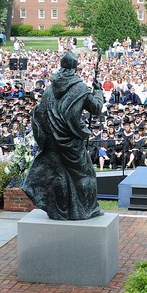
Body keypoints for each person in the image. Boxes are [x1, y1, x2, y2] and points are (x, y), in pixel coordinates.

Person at [22, 51, 105, 220]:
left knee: (59, 174)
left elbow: (41, 115)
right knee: (85, 174)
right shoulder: (80, 87)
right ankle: (86, 210)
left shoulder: (50, 88)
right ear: (75, 68)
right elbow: (96, 108)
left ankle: (61, 211)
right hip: (72, 142)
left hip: (53, 140)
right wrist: (98, 91)